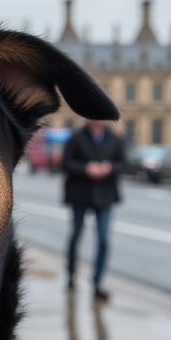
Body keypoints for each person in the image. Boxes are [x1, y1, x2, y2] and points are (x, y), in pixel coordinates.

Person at [61, 119, 127, 302]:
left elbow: (123, 163)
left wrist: (110, 168)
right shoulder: (76, 137)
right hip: (80, 193)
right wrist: (86, 169)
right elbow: (66, 163)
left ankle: (98, 281)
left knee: (104, 239)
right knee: (76, 235)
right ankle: (71, 275)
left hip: (105, 195)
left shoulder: (114, 138)